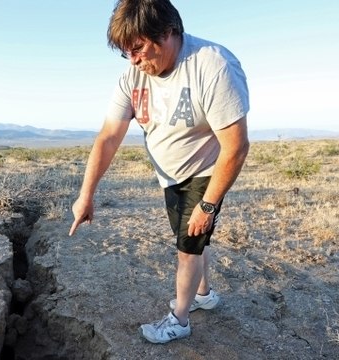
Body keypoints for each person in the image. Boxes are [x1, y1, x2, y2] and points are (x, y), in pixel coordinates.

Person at [68, 0, 250, 344]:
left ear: (167, 32)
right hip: (170, 175)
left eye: (138, 48)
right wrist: (86, 194)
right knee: (194, 239)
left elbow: (236, 146)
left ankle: (179, 320)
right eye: (126, 53)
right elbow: (108, 137)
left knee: (188, 245)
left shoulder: (212, 65)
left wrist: (208, 204)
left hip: (206, 169)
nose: (134, 60)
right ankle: (204, 295)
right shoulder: (132, 77)